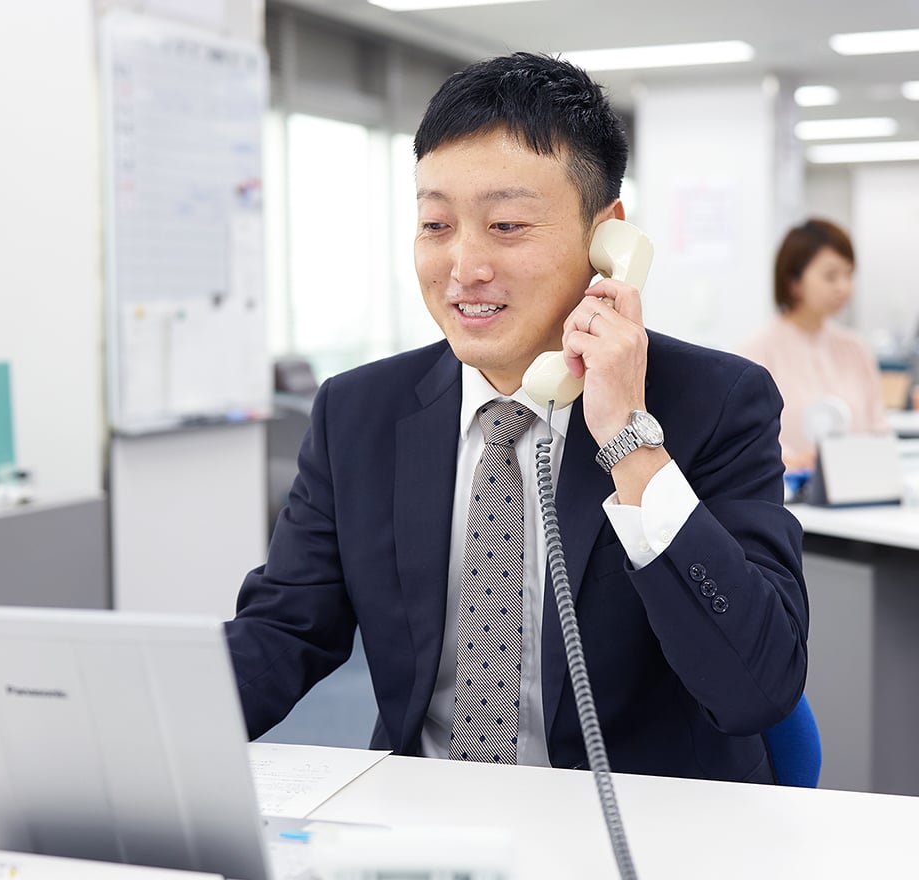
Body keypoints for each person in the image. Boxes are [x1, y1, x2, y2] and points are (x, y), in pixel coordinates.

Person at [226, 53, 807, 784]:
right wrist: (132, 729)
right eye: (436, 223)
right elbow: (282, 632)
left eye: (505, 225)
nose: (463, 265)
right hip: (429, 823)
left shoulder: (716, 402)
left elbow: (757, 686)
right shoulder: (358, 412)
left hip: (643, 826)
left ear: (608, 240)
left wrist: (630, 441)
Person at [740, 218, 889, 472]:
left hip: (861, 490)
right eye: (831, 276)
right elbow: (747, 440)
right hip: (791, 494)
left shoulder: (856, 349)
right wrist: (790, 461)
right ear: (794, 282)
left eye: (849, 274)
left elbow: (879, 429)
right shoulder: (759, 350)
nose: (844, 287)